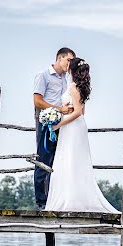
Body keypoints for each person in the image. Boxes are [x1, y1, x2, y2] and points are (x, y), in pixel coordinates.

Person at [45, 57, 120, 213]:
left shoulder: (73, 87)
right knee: (72, 160)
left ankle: (71, 201)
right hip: (74, 127)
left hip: (72, 127)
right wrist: (64, 108)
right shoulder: (79, 87)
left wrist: (58, 124)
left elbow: (79, 112)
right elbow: (81, 110)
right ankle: (72, 198)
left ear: (71, 70)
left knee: (72, 160)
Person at [33, 47, 76, 209]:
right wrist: (59, 109)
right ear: (60, 58)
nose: (70, 64)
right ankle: (41, 201)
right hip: (47, 124)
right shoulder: (43, 75)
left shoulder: (67, 78)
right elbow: (37, 101)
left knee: (58, 161)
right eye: (68, 60)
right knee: (43, 159)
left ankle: (54, 199)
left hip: (63, 125)